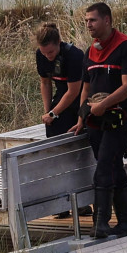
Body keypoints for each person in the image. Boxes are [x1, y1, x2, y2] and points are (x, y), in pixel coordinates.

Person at [69, 2, 127, 239]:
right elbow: (86, 87)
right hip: (95, 122)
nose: (88, 24)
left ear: (107, 20)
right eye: (86, 20)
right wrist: (82, 116)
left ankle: (100, 222)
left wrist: (104, 105)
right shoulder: (89, 52)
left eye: (93, 20)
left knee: (103, 167)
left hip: (119, 120)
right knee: (113, 166)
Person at [34, 21, 91, 219]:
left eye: (50, 52)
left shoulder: (74, 56)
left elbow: (74, 91)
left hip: (79, 100)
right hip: (60, 99)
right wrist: (48, 111)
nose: (48, 56)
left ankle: (82, 202)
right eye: (44, 53)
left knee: (76, 153)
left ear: (59, 43)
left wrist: (54, 113)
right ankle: (60, 204)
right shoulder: (41, 55)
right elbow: (44, 82)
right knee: (55, 154)